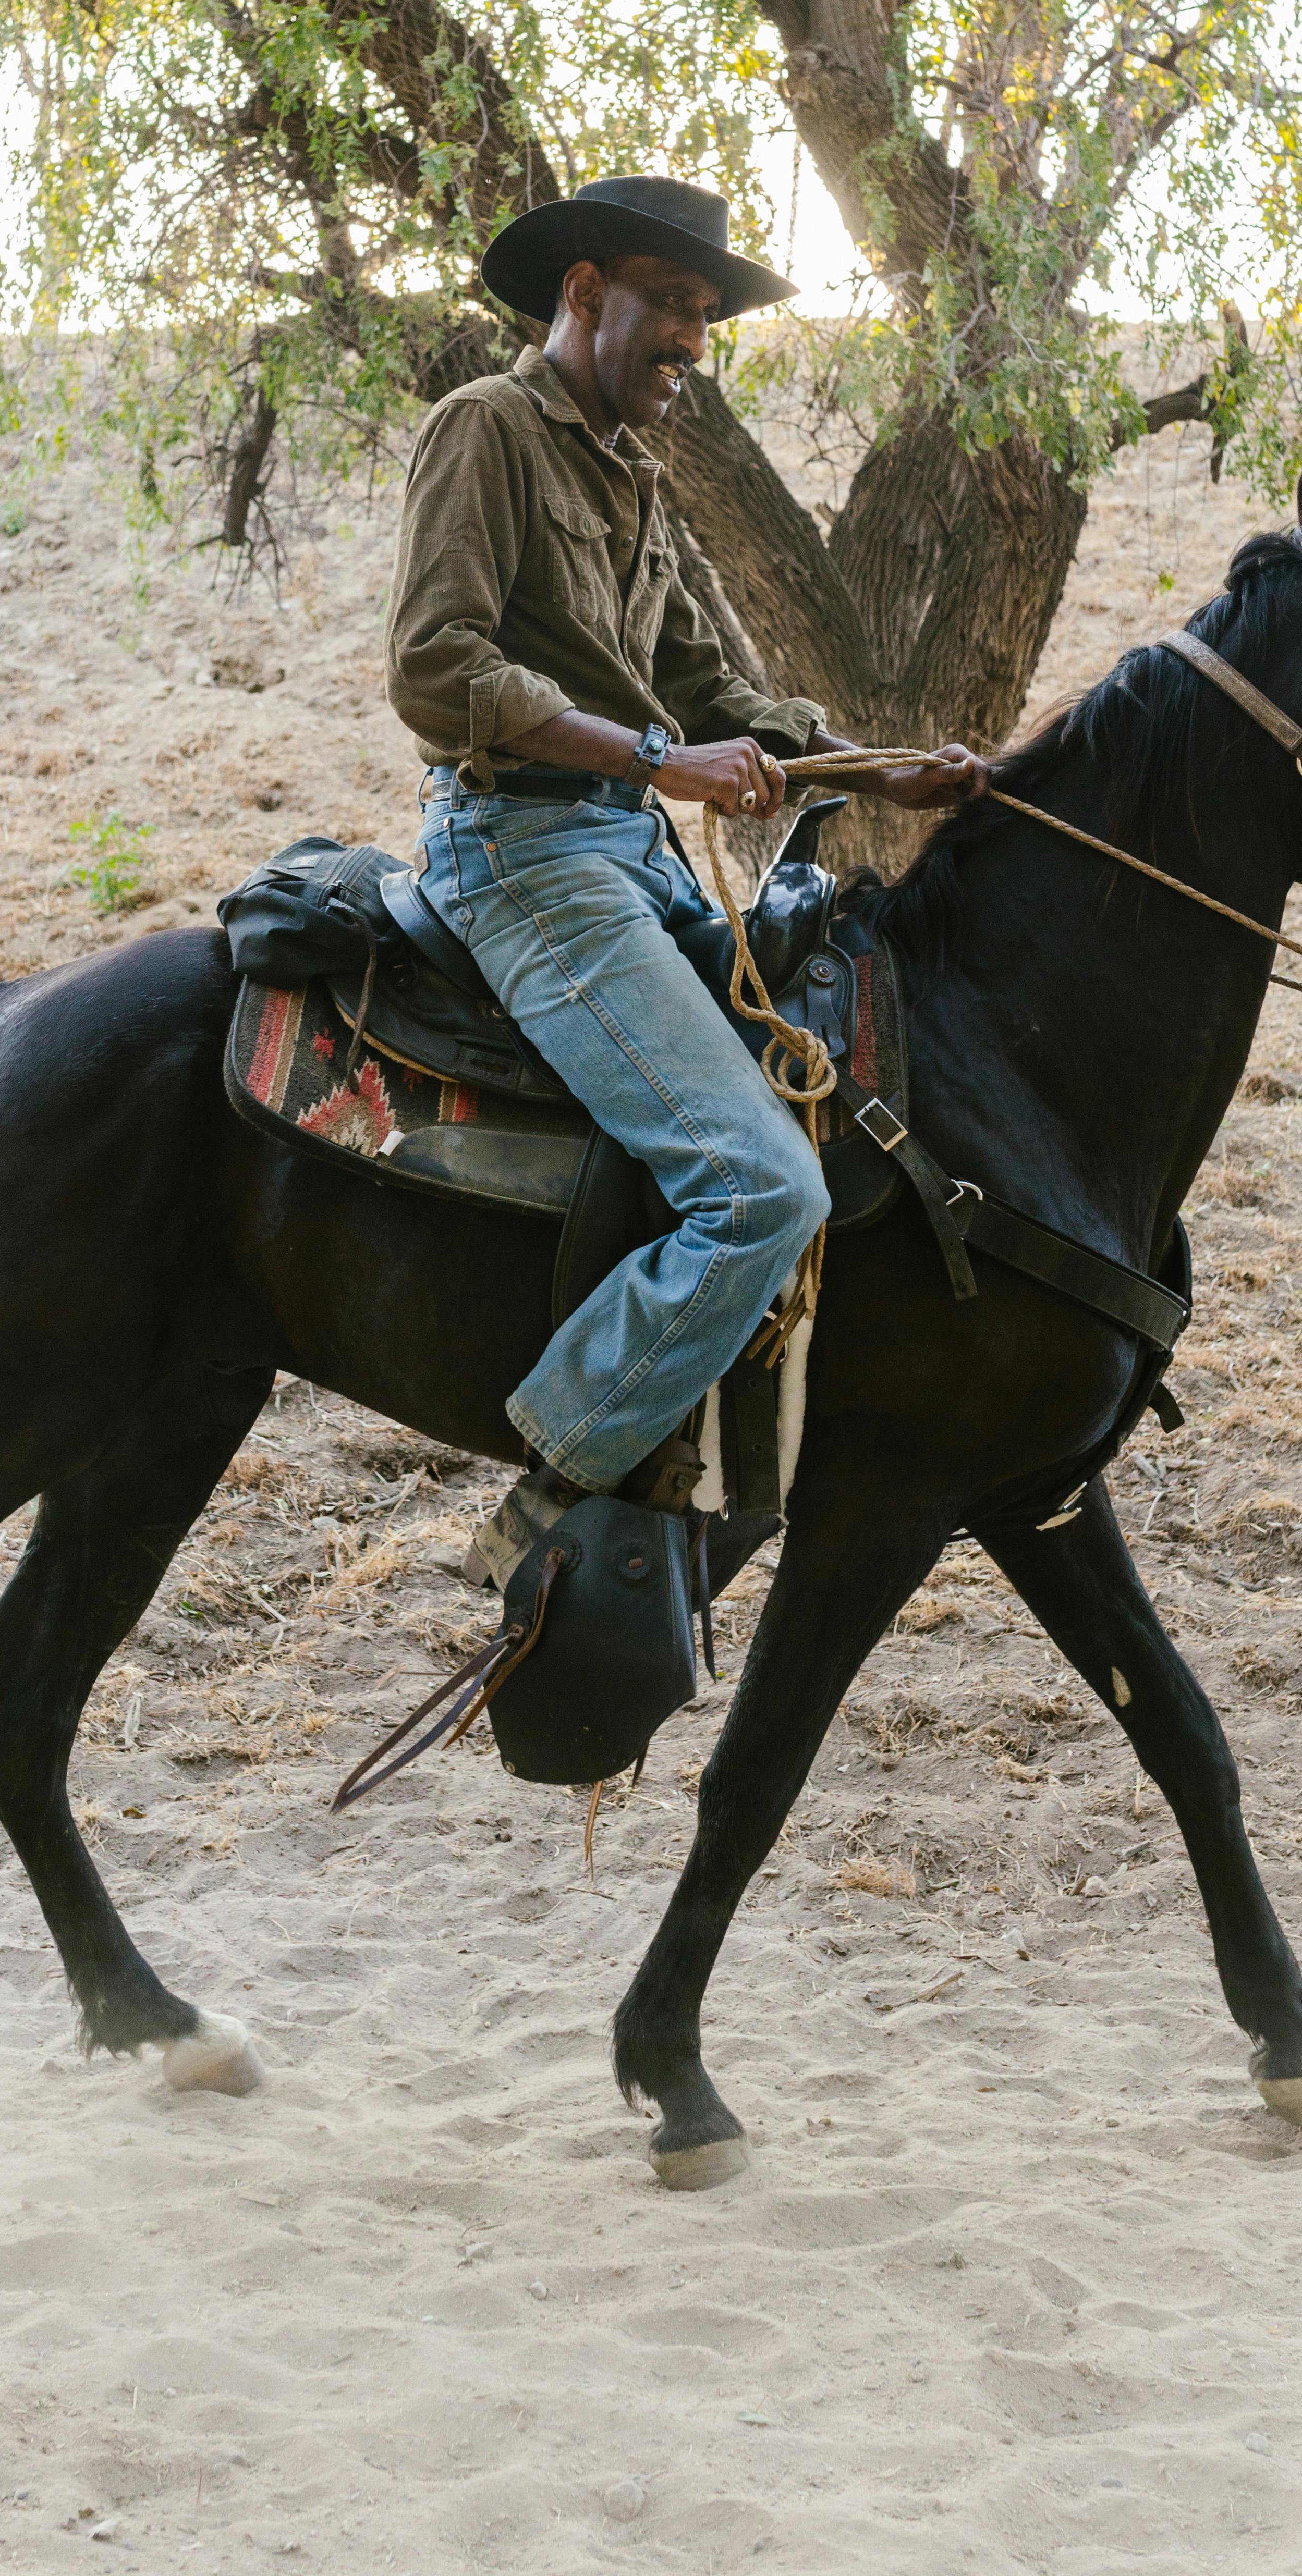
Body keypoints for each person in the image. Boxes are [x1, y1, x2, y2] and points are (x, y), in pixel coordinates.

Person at [384, 175, 986, 1585]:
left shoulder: (637, 475)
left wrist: (874, 768)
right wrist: (660, 760)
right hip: (526, 858)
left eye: (708, 320)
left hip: (626, 851)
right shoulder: (484, 433)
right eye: (674, 308)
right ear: (583, 295)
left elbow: (717, 684)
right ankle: (563, 1469)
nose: (694, 345)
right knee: (765, 1190)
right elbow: (437, 670)